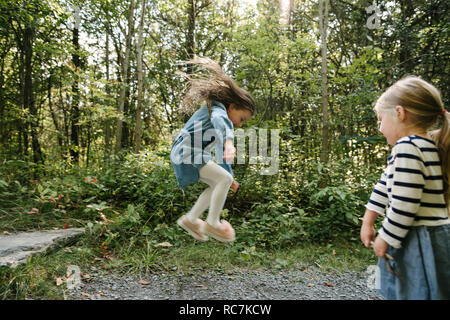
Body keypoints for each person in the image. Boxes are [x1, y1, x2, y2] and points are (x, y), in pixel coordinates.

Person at [360, 76, 450, 299]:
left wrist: (386, 238)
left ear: (400, 113)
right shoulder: (428, 146)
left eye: (381, 120)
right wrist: (368, 220)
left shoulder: (407, 148)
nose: (380, 128)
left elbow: (405, 203)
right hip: (434, 235)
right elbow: (384, 185)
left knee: (416, 293)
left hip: (418, 239)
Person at [171, 57, 255, 243]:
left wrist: (230, 176)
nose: (239, 125)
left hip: (186, 153)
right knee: (222, 180)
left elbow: (220, 151)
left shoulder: (219, 121)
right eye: (241, 119)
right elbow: (221, 121)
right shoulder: (216, 109)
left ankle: (191, 219)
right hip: (187, 151)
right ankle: (212, 223)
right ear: (232, 107)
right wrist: (230, 141)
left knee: (219, 182)